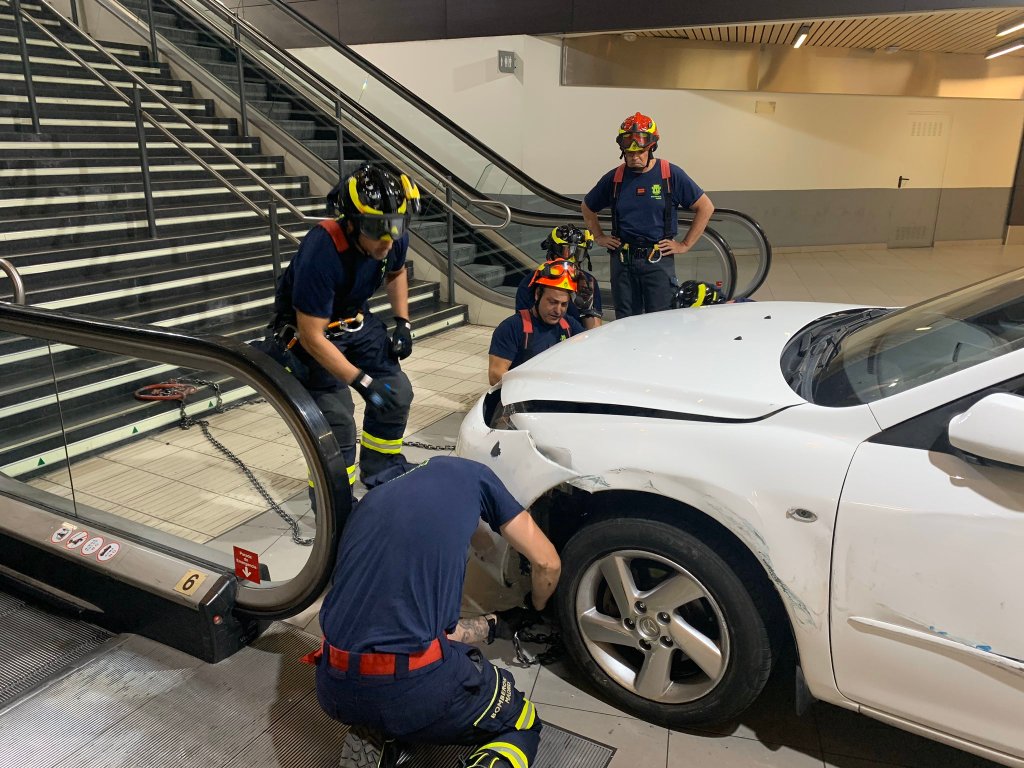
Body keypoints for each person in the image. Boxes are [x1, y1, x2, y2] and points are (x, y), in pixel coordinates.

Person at [308, 455, 561, 768]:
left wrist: (494, 624)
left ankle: (382, 733)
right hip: (417, 691)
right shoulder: (475, 476)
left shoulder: (372, 503)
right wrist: (538, 605)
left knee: (402, 662)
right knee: (522, 722)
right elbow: (547, 563)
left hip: (334, 687)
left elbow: (428, 630)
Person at [270, 162, 421, 490]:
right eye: (376, 230)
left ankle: (382, 470)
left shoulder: (390, 234)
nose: (387, 242)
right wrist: (363, 381)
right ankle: (335, 505)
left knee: (397, 394)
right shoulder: (323, 249)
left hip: (354, 323)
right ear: (352, 223)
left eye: (394, 228)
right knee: (337, 419)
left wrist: (403, 323)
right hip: (310, 336)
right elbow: (311, 335)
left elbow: (396, 273)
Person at [581, 112, 716, 318]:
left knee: (662, 319)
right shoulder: (615, 178)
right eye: (629, 152)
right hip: (623, 261)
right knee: (626, 320)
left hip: (658, 260)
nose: (634, 156)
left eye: (640, 151)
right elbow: (588, 206)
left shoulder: (669, 174)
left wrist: (685, 244)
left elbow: (705, 207)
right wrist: (599, 236)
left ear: (651, 147)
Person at [489, 259, 585, 385]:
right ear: (537, 294)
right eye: (552, 302)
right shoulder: (512, 327)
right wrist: (533, 388)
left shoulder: (569, 325)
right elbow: (495, 375)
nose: (558, 311)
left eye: (564, 304)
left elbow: (591, 350)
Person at [514, 225, 603, 330]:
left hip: (576, 340)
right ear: (553, 250)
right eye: (566, 251)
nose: (571, 258)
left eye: (578, 253)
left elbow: (594, 332)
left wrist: (587, 311)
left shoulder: (588, 282)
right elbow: (524, 326)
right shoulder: (531, 281)